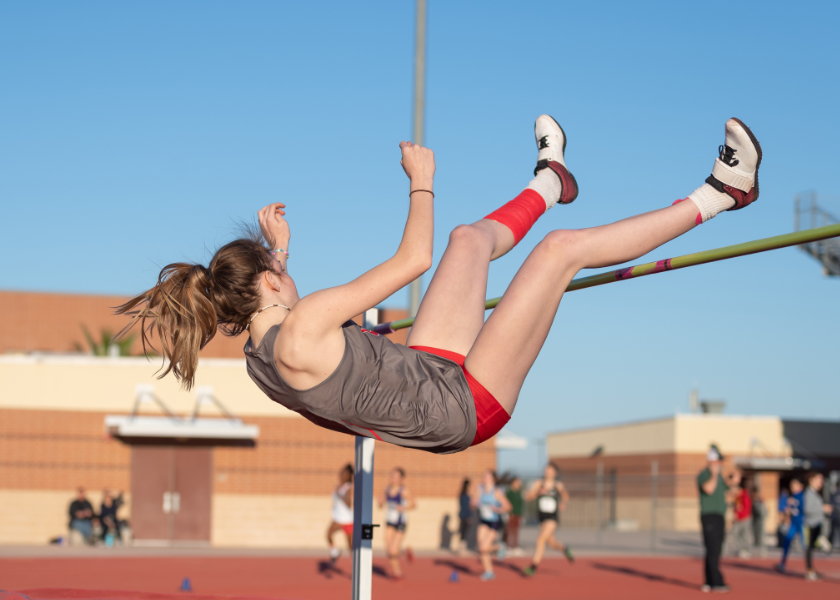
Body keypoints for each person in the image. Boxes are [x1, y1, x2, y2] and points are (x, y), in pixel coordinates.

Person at [116, 115, 764, 456]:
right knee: (558, 254)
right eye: (277, 266)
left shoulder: (263, 355)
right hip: (461, 406)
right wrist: (419, 178)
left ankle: (550, 181)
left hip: (431, 373)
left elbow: (290, 321)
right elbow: (411, 259)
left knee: (468, 238)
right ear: (268, 282)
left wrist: (278, 252)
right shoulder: (303, 323)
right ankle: (721, 193)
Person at [523, 463, 573, 576]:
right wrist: (537, 493)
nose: (547, 472)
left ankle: (533, 567)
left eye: (550, 470)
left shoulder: (557, 485)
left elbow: (566, 496)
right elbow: (528, 497)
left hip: (552, 518)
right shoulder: (539, 484)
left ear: (555, 473)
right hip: (541, 518)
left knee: (540, 540)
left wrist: (563, 502)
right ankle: (566, 550)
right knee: (551, 543)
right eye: (546, 470)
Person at [697, 446, 730, 593]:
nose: (720, 464)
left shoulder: (721, 477)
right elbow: (708, 489)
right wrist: (714, 474)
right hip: (709, 516)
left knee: (716, 550)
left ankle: (709, 581)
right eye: (717, 461)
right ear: (711, 461)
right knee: (712, 549)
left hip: (720, 516)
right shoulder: (704, 475)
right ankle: (716, 581)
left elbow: (727, 493)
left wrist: (733, 482)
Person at [472, 470, 511, 581]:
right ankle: (489, 572)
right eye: (483, 476)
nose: (484, 479)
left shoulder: (497, 492)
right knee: (481, 547)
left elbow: (508, 506)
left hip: (494, 522)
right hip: (484, 521)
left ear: (493, 479)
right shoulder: (480, 490)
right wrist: (473, 503)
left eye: (487, 477)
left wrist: (498, 509)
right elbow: (473, 503)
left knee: (484, 547)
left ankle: (500, 546)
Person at [378, 467, 416, 579]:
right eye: (391, 476)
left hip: (400, 522)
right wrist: (380, 502)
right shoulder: (386, 489)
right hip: (389, 521)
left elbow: (414, 504)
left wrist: (403, 507)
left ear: (401, 479)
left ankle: (405, 552)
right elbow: (381, 503)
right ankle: (397, 572)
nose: (392, 479)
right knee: (388, 549)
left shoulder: (403, 490)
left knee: (392, 550)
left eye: (395, 477)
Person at [802, 472, 833, 580]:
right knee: (809, 548)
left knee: (812, 548)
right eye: (819, 480)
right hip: (810, 524)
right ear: (812, 480)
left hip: (817, 523)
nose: (821, 483)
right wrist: (822, 509)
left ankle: (811, 569)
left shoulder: (815, 493)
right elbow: (807, 509)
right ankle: (809, 571)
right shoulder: (808, 493)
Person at [777, 478, 805, 574]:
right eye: (791, 486)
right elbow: (788, 508)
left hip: (802, 523)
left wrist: (794, 503)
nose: (792, 487)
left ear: (800, 486)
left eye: (794, 485)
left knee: (805, 545)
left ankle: (809, 566)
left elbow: (804, 508)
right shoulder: (792, 496)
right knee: (787, 541)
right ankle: (782, 563)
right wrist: (788, 510)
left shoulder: (803, 496)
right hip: (793, 523)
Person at [327, 464, 354, 563]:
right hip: (338, 518)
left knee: (350, 546)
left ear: (349, 475)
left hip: (347, 520)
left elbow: (349, 503)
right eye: (342, 472)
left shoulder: (348, 487)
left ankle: (357, 565)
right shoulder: (339, 486)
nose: (342, 475)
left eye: (345, 473)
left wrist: (339, 494)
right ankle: (335, 551)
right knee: (328, 535)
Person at [729, 472, 752, 558]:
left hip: (744, 519)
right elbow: (736, 507)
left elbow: (746, 508)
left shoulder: (744, 496)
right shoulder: (737, 497)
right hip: (738, 519)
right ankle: (739, 549)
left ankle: (746, 550)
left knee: (745, 535)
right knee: (735, 534)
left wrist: (741, 513)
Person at [505, 477, 524, 555]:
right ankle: (508, 547)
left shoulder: (519, 493)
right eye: (517, 482)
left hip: (518, 514)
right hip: (511, 515)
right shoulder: (509, 493)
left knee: (516, 531)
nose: (518, 484)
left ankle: (515, 547)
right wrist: (509, 513)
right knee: (510, 531)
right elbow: (507, 503)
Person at [456, 478, 473, 556]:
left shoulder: (461, 494)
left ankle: (461, 549)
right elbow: (466, 507)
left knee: (463, 532)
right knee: (464, 532)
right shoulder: (465, 496)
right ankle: (462, 550)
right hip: (465, 516)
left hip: (462, 515)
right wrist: (468, 516)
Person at [750, 483, 767, 557]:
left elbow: (763, 511)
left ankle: (762, 550)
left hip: (760, 520)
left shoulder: (760, 500)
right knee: (754, 535)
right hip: (754, 520)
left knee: (761, 535)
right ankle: (755, 549)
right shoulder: (753, 500)